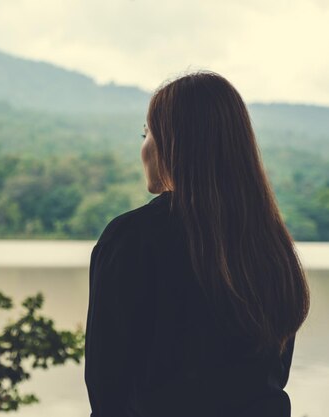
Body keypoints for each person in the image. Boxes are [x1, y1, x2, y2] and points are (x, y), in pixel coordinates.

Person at [84, 71, 311, 417]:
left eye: (148, 134)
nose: (143, 148)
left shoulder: (131, 241)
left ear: (173, 145)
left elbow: (106, 393)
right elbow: (273, 377)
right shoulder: (270, 246)